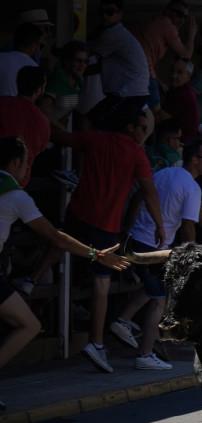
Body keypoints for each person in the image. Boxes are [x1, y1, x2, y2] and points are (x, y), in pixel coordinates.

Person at [0, 137, 130, 404]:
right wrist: (96, 254)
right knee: (29, 324)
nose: (27, 168)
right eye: (27, 162)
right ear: (15, 162)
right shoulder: (15, 196)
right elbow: (56, 238)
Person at [45, 108, 164, 373]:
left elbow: (61, 137)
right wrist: (159, 225)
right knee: (102, 285)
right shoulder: (136, 152)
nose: (145, 133)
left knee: (60, 242)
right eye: (143, 127)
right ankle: (95, 343)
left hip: (78, 213)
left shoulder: (95, 139)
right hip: (104, 226)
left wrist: (46, 117)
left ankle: (30, 280)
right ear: (131, 127)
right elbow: (148, 191)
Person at [111, 138, 202, 370]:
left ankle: (122, 320)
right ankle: (144, 354)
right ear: (195, 160)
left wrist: (128, 226)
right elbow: (187, 226)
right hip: (150, 246)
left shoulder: (164, 173)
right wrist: (191, 257)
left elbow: (139, 196)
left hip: (137, 239)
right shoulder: (193, 188)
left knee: (153, 287)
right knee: (159, 300)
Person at [88, 0, 152, 130]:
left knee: (88, 124)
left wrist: (61, 53)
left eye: (110, 12)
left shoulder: (113, 34)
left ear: (120, 14)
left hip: (127, 94)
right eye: (101, 12)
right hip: (132, 94)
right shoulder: (117, 33)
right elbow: (100, 67)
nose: (105, 16)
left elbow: (83, 54)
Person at [135, 0, 196, 114]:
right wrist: (192, 34)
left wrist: (157, 81)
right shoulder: (166, 25)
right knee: (157, 113)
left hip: (134, 71)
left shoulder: (152, 22)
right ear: (168, 12)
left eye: (185, 18)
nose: (182, 21)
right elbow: (186, 56)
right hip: (142, 72)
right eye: (179, 15)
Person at [0, 67, 50, 188]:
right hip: (17, 183)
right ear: (40, 90)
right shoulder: (42, 121)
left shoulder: (2, 104)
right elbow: (39, 149)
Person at [39, 40, 90, 128]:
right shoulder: (57, 80)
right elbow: (42, 109)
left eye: (85, 61)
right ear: (67, 61)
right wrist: (59, 127)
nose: (82, 65)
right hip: (45, 130)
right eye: (78, 60)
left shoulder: (79, 81)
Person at [157, 56, 198, 140]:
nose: (174, 75)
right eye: (172, 71)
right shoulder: (178, 89)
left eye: (179, 72)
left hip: (180, 144)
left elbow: (159, 117)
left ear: (189, 76)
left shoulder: (183, 94)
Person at [0, 23, 41, 97]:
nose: (39, 49)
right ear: (33, 46)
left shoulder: (1, 57)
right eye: (40, 45)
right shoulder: (34, 67)